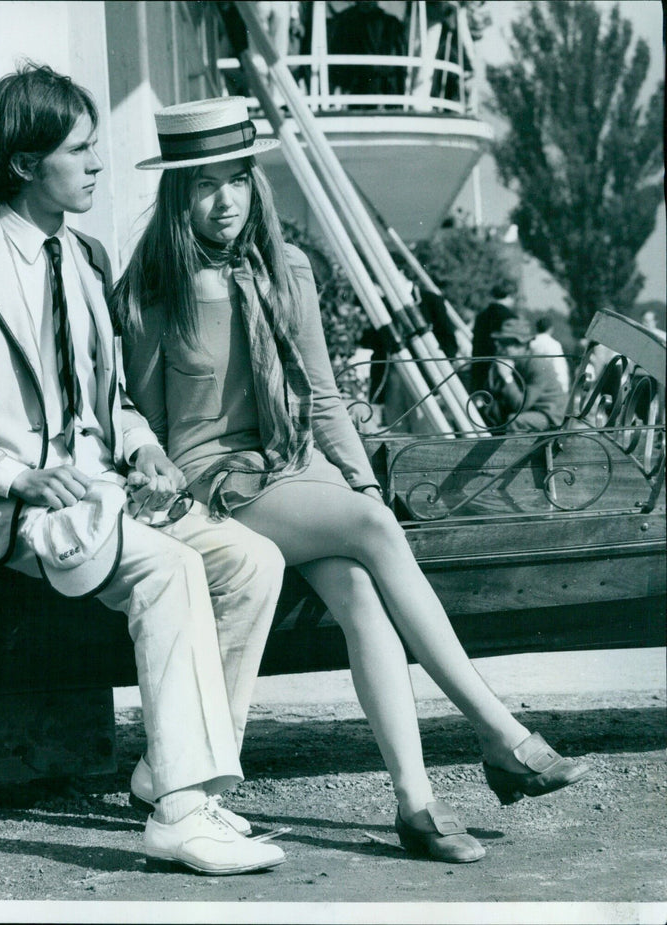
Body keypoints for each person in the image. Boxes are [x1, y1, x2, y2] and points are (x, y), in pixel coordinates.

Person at [113, 96, 591, 865]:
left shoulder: (289, 269)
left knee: (364, 588)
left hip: (295, 467)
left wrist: (360, 484)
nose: (226, 199)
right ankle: (500, 732)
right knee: (373, 529)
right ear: (178, 192)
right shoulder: (153, 292)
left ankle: (417, 804)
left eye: (237, 178)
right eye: (205, 184)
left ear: (254, 181)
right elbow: (142, 416)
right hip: (219, 479)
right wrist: (363, 511)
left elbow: (326, 394)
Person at [0, 66, 287, 877]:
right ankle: (178, 815)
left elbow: (106, 401)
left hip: (101, 495)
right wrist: (16, 476)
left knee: (252, 562)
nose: (99, 162)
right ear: (28, 162)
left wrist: (141, 446)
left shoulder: (86, 258)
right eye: (81, 148)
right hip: (10, 511)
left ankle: (186, 778)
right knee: (171, 569)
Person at [484, 317, 569, 433]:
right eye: (500, 343)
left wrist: (507, 378)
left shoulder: (537, 364)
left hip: (551, 415)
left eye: (505, 344)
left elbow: (520, 405)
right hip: (534, 410)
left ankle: (511, 451)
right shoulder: (514, 362)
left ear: (521, 345)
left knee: (515, 421)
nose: (500, 349)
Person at [470, 282, 518, 395]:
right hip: (500, 371)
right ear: (511, 295)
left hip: (479, 370)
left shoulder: (481, 316)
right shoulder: (510, 318)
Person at [530, 315, 571, 394]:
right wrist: (564, 387)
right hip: (551, 385)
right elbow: (559, 366)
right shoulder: (553, 344)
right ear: (550, 329)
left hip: (533, 383)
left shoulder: (531, 343)